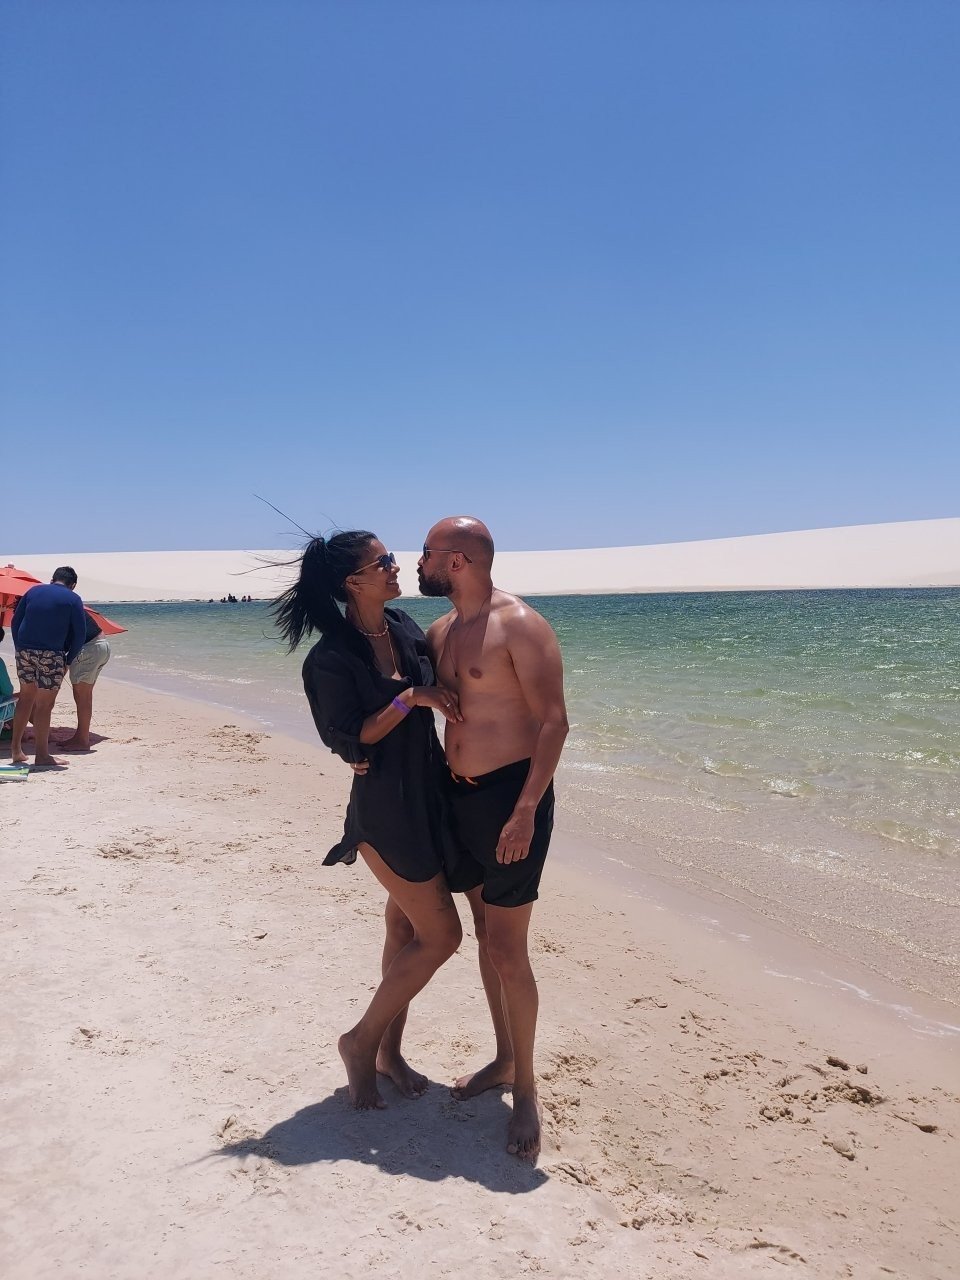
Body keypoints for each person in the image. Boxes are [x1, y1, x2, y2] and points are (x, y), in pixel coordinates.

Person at [274, 529, 464, 1111]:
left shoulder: (403, 626)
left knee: (403, 932)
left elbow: (446, 674)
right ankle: (359, 1043)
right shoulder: (331, 657)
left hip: (429, 795)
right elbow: (350, 735)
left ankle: (388, 1053)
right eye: (383, 562)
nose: (395, 566)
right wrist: (412, 698)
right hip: (385, 810)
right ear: (352, 582)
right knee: (443, 936)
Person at [418, 517, 568, 1161]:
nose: (418, 563)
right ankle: (505, 1058)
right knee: (484, 935)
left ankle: (527, 1089)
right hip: (459, 797)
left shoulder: (521, 625)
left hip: (512, 799)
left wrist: (526, 809)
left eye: (426, 552)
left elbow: (554, 722)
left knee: (509, 949)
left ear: (457, 560)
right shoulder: (440, 630)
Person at [10, 566, 86, 769]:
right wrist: (68, 660)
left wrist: (19, 647)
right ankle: (42, 756)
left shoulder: (32, 591)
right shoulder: (73, 599)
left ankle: (16, 750)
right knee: (44, 705)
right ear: (73, 585)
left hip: (24, 650)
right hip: (51, 654)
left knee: (26, 698)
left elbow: (16, 621)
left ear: (52, 579)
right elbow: (80, 634)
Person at [60, 605, 111, 752]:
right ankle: (80, 736)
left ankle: (82, 740)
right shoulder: (66, 604)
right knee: (85, 695)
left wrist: (67, 662)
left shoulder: (53, 609)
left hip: (88, 647)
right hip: (101, 645)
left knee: (82, 696)